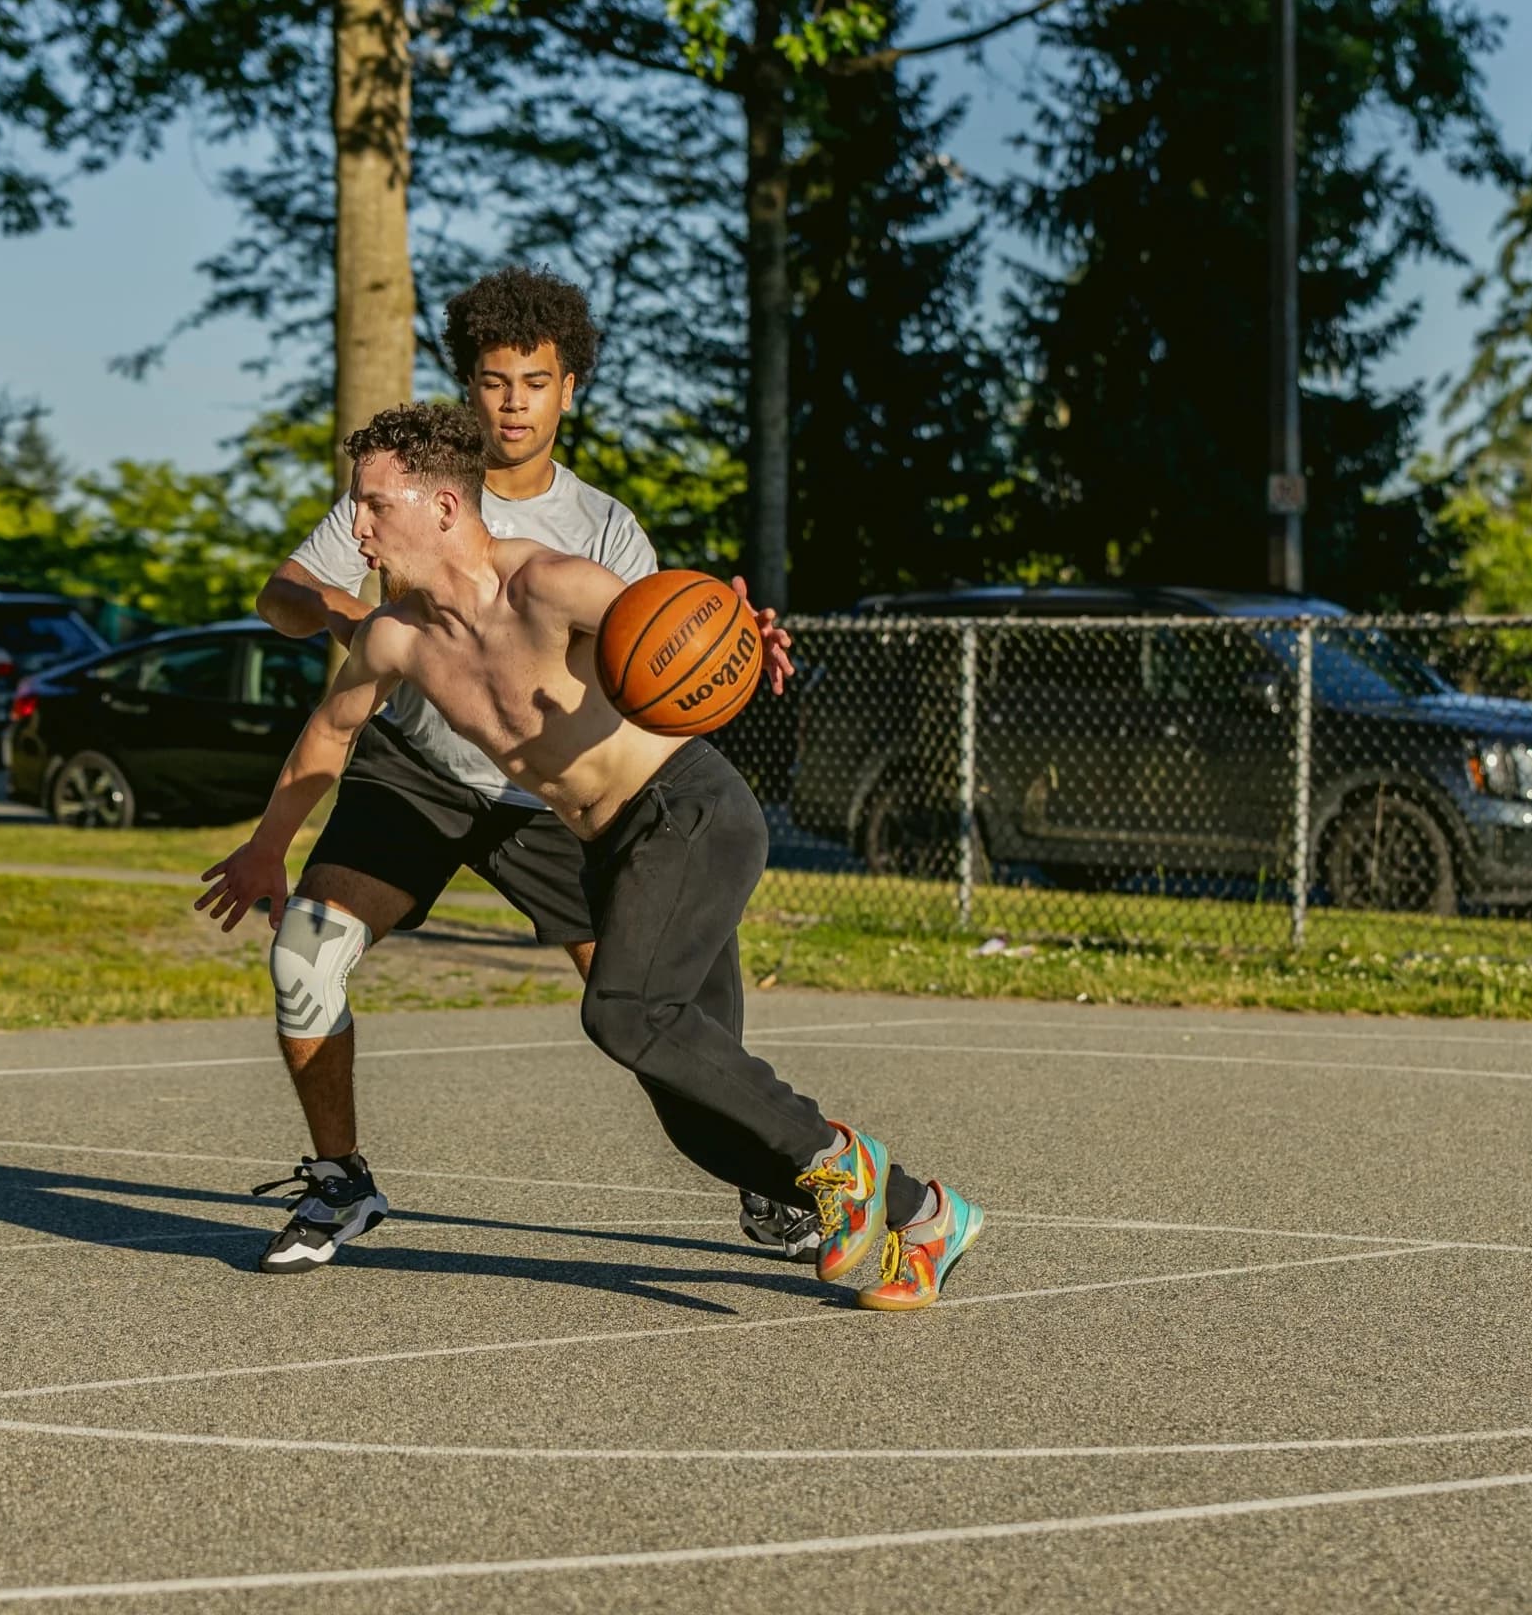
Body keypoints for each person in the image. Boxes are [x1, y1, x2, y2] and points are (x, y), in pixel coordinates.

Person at [199, 403, 983, 1311]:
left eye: (375, 505)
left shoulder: (546, 584)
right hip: (612, 847)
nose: (358, 527)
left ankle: (840, 1164)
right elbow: (328, 739)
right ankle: (927, 1213)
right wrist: (267, 846)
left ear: (446, 508)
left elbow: (671, 621)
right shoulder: (395, 638)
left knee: (622, 1013)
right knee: (703, 1122)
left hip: (689, 812)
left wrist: (738, 632)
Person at [245, 267, 816, 1272]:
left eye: (533, 381)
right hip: (417, 769)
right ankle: (339, 1180)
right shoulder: (404, 494)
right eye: (493, 379)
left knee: (647, 1013)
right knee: (306, 950)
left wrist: (729, 647)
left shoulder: (598, 529)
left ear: (568, 389)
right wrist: (356, 618)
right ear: (468, 384)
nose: (511, 402)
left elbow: (661, 658)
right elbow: (282, 592)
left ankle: (773, 1178)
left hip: (550, 797)